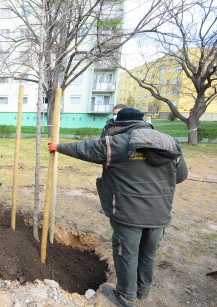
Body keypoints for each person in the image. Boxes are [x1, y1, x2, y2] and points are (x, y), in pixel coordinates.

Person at [48, 108, 188, 307]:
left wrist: (58, 147)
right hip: (160, 214)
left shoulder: (120, 143)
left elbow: (86, 149)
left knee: (127, 253)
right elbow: (181, 176)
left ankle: (125, 296)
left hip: (129, 214)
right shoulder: (170, 142)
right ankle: (143, 291)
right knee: (148, 253)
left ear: (122, 125)